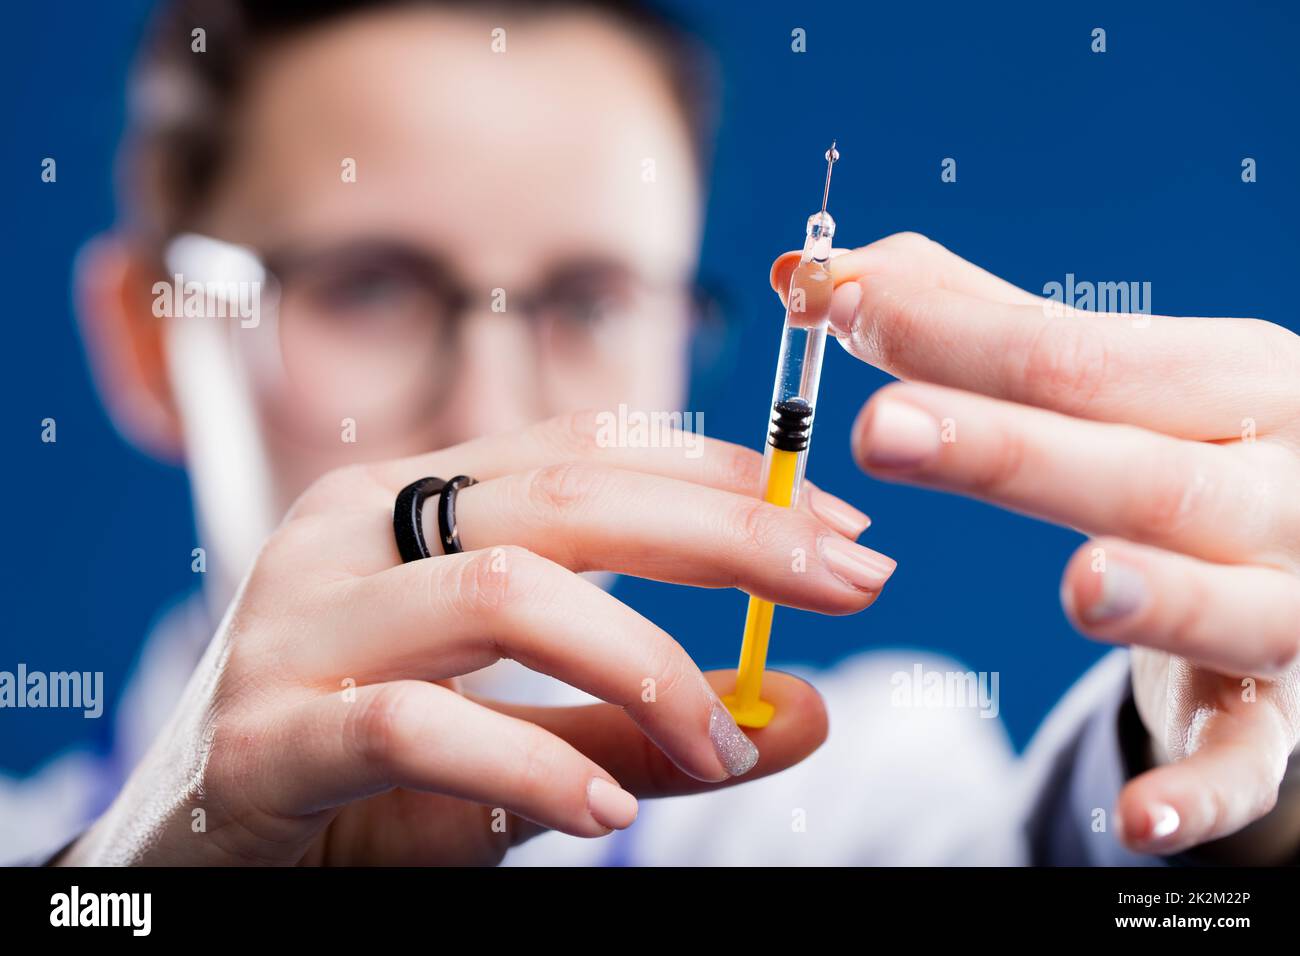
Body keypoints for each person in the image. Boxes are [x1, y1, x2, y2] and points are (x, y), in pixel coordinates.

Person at [4, 0, 1297, 865]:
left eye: (590, 300)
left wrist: (1236, 769)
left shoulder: (836, 791)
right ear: (148, 332)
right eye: (371, 287)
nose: (489, 404)